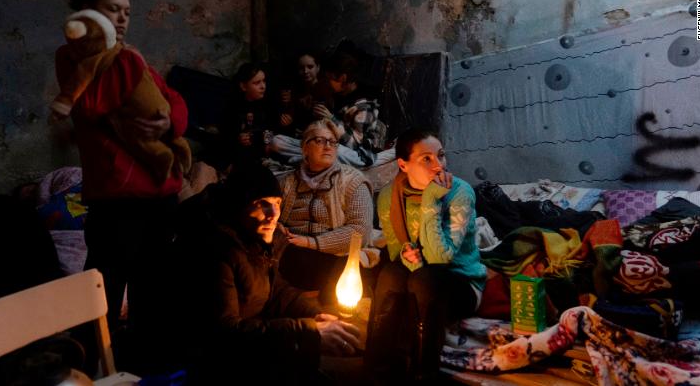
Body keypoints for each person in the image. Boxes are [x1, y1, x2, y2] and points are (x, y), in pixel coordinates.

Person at [59, 0, 188, 373]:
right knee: (104, 288)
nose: (122, 19)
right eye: (113, 9)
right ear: (87, 14)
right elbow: (92, 106)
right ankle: (86, 368)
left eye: (127, 12)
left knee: (152, 289)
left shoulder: (131, 58)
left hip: (158, 194)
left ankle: (142, 369)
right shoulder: (74, 60)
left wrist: (167, 122)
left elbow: (177, 106)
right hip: (115, 198)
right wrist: (127, 66)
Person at [201, 163, 361, 385]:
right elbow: (226, 334)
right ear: (238, 207)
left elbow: (274, 289)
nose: (274, 215)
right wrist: (306, 331)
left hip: (255, 339)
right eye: (262, 204)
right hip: (218, 361)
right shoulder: (217, 251)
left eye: (277, 203)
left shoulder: (260, 240)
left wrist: (315, 315)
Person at [366, 128, 487, 383]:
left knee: (424, 279)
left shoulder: (459, 192)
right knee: (389, 274)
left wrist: (431, 201)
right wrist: (407, 254)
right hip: (416, 272)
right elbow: (396, 248)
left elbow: (440, 257)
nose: (438, 166)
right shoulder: (389, 196)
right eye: (426, 159)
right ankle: (377, 371)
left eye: (440, 156)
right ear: (403, 165)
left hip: (460, 281)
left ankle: (424, 374)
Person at [276, 119, 379, 305]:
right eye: (320, 141)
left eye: (332, 142)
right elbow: (270, 217)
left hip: (336, 255)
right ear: (304, 148)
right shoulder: (288, 182)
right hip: (291, 251)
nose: (328, 147)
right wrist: (278, 228)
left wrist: (311, 242)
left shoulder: (352, 182)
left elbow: (359, 232)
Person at [219, 62, 276, 167]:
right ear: (244, 86)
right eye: (257, 83)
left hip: (262, 151)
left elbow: (271, 126)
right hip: (240, 153)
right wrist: (238, 138)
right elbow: (225, 133)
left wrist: (268, 141)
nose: (263, 86)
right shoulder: (233, 107)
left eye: (264, 81)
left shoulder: (267, 104)